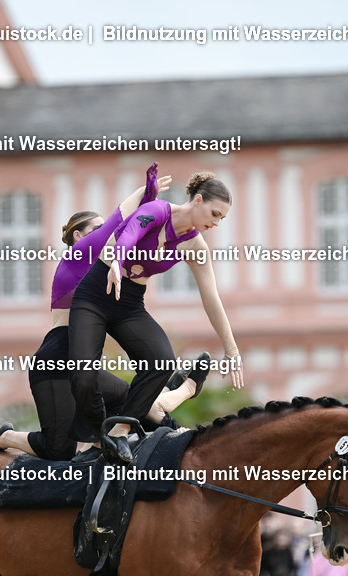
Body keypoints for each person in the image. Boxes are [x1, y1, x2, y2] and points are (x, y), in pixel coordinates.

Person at [0, 165, 210, 460]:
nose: (106, 232)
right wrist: (145, 196)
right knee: (59, 449)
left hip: (81, 365)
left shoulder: (102, 260)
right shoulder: (77, 256)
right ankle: (6, 436)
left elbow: (133, 231)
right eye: (96, 228)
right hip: (55, 360)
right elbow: (119, 223)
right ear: (79, 236)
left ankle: (180, 396)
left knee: (137, 405)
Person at [68, 171, 245, 459]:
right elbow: (130, 234)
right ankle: (93, 440)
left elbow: (211, 298)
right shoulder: (157, 211)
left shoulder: (195, 245)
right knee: (83, 374)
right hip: (96, 293)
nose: (215, 222)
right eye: (214, 213)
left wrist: (231, 348)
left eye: (221, 219)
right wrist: (116, 261)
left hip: (129, 304)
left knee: (162, 361)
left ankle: (120, 431)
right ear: (197, 200)